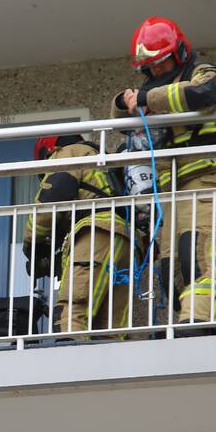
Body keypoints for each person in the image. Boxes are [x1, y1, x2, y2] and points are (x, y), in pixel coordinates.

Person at [111, 16, 216, 336]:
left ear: (179, 53)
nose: (155, 73)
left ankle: (200, 321)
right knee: (169, 265)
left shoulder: (203, 72)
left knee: (195, 251)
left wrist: (146, 99)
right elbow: (120, 116)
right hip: (171, 187)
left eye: (161, 64)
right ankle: (180, 322)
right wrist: (124, 101)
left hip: (207, 175)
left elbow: (204, 95)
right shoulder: (151, 89)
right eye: (150, 68)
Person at [22, 134, 133, 337]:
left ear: (50, 150)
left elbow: (52, 200)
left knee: (71, 311)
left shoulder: (69, 152)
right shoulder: (100, 162)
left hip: (96, 233)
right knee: (109, 324)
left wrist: (31, 244)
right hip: (126, 240)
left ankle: (73, 361)